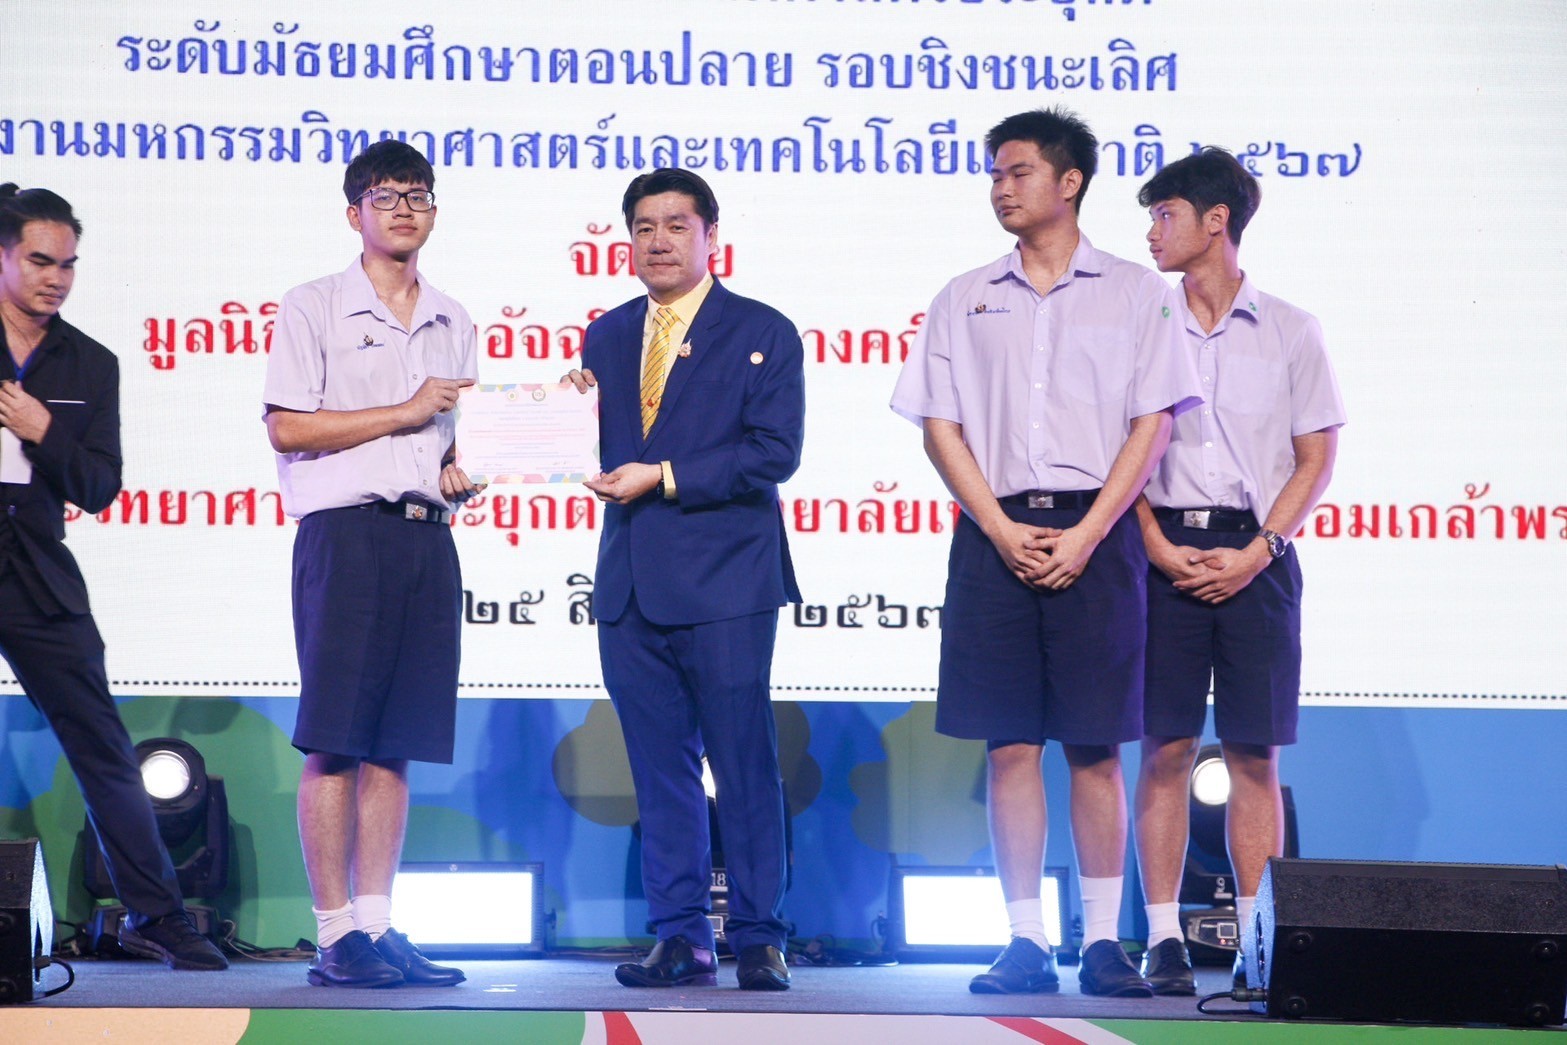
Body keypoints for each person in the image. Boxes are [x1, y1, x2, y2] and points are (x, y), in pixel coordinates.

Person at [890, 108, 1201, 997]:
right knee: (1009, 743)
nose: (1000, 187)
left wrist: (1090, 531)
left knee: (1094, 745)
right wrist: (995, 526)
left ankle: (1102, 940)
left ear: (1069, 182)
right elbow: (939, 426)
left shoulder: (1136, 292)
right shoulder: (963, 295)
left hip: (1096, 536)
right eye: (993, 173)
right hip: (992, 534)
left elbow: (1153, 423)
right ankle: (1024, 937)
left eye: (1017, 170)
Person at [565, 168, 804, 992]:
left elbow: (773, 453)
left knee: (743, 763)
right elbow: (594, 452)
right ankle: (680, 937)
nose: (657, 241)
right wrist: (560, 418)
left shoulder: (761, 329)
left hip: (727, 582)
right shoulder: (605, 335)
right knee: (658, 768)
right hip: (631, 583)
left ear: (710, 236)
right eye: (642, 227)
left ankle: (760, 936)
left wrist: (663, 475)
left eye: (675, 225)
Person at [262, 140, 479, 989]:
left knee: (397, 746)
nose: (404, 209)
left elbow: (448, 443)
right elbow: (288, 426)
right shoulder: (313, 305)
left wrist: (462, 468)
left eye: (418, 195)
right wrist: (404, 411)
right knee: (336, 741)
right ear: (353, 212)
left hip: (427, 537)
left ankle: (379, 927)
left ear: (435, 211)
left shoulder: (454, 317)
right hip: (346, 535)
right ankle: (334, 934)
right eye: (386, 196)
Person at [1130, 148, 1345, 994]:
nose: (1151, 232)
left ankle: (1258, 949)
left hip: (1261, 557)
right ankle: (1161, 940)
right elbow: (1118, 451)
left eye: (1164, 214)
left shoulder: (1290, 328)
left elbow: (1314, 457)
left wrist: (1260, 549)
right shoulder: (1139, 323)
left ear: (1214, 220)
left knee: (1254, 756)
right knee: (1164, 748)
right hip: (1161, 554)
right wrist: (1153, 543)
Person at [0, 184, 227, 971]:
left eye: (68, 264)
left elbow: (99, 484)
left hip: (36, 573)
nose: (56, 278)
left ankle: (156, 914)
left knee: (102, 744)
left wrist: (44, 430)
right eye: (40, 260)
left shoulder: (90, 362)